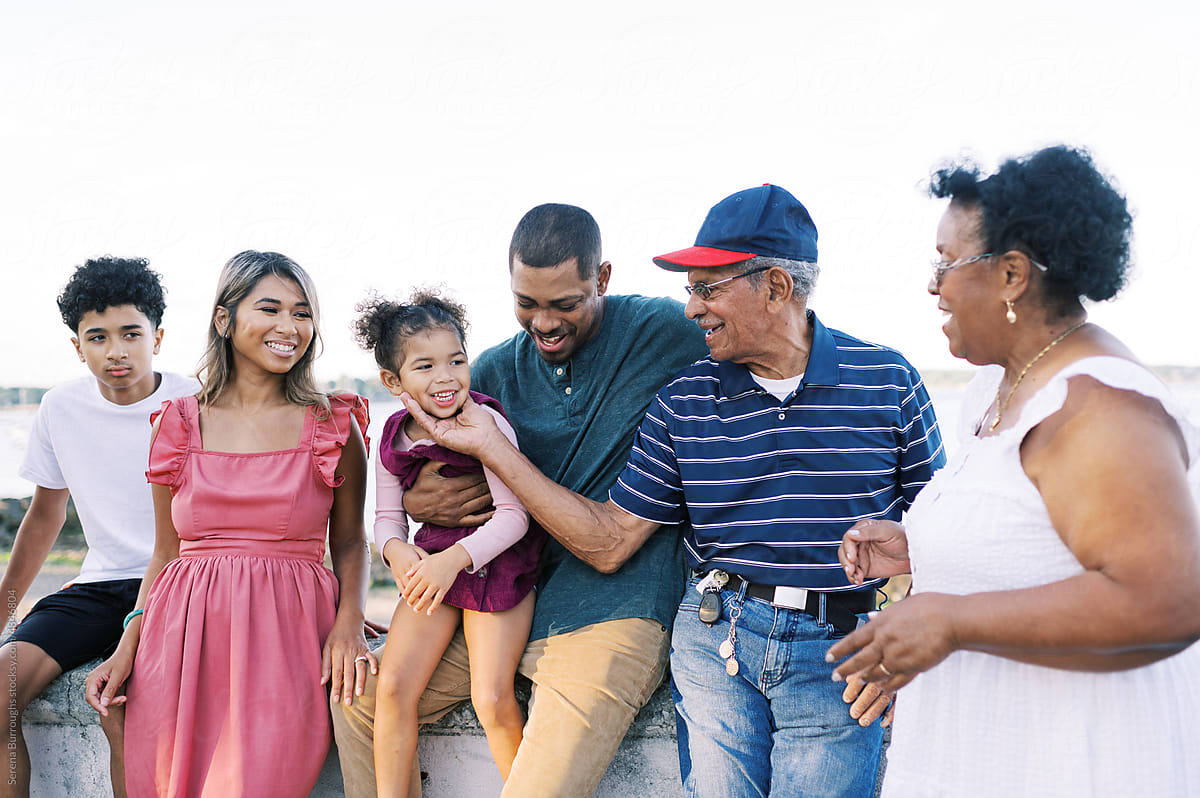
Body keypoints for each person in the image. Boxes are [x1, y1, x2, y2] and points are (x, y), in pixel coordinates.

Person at [400, 184, 945, 797]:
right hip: (716, 642)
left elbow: (947, 536)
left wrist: (911, 635)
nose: (690, 309)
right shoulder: (683, 400)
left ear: (776, 288)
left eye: (708, 288)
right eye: (690, 288)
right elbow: (610, 538)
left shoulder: (887, 380)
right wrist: (417, 494)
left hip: (841, 650)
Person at [827, 145, 1200, 796]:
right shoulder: (1002, 388)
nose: (932, 284)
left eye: (945, 263)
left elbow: (1168, 599)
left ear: (1011, 275)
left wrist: (951, 621)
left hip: (1076, 764)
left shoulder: (1098, 406)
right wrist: (924, 547)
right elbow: (1041, 539)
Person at [332, 203, 710, 798]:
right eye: (526, 303)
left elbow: (760, 343)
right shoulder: (491, 372)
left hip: (613, 606)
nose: (544, 322)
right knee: (364, 701)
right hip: (510, 592)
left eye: (566, 304)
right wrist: (424, 506)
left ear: (602, 279)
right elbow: (426, 475)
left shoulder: (660, 332)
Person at [83, 250, 375, 797]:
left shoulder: (332, 423)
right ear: (224, 319)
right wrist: (127, 645)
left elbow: (353, 542)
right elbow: (166, 554)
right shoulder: (175, 424)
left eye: (303, 312)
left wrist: (349, 622)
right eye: (270, 309)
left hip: (285, 640)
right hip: (180, 637)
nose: (290, 328)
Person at [0, 257, 197, 798]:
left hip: (178, 586)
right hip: (97, 587)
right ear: (76, 346)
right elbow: (45, 517)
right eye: (98, 337)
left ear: (158, 336)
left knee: (123, 710)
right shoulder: (60, 407)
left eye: (132, 333)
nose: (116, 351)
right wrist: (3, 610)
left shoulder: (196, 399)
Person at [353, 289, 544, 797]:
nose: (445, 377)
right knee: (392, 688)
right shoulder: (393, 439)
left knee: (491, 696)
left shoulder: (486, 421)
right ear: (393, 381)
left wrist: (448, 563)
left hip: (496, 569)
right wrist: (396, 552)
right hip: (433, 573)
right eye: (425, 366)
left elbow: (515, 517)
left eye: (456, 361)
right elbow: (387, 520)